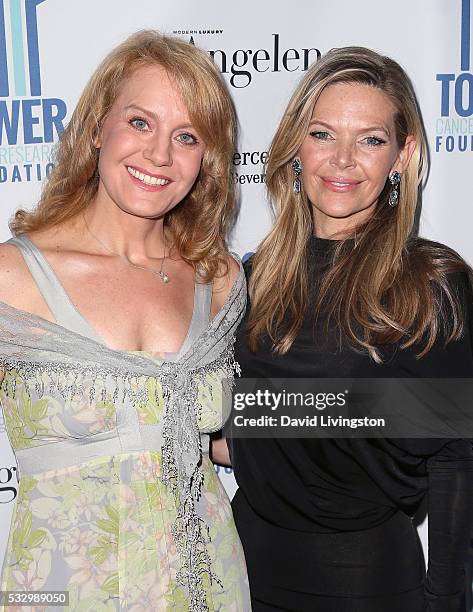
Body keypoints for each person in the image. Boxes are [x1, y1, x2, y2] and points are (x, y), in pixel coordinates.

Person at [0, 31, 250, 611]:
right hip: (60, 591)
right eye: (140, 122)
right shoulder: (12, 277)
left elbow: (245, 440)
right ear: (97, 129)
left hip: (209, 586)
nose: (159, 155)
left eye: (186, 137)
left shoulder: (221, 282)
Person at [228, 47, 473, 611]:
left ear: (402, 155)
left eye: (370, 139)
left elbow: (454, 457)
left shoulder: (430, 283)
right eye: (321, 134)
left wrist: (446, 597)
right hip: (237, 565)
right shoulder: (248, 279)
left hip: (363, 579)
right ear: (295, 146)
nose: (342, 160)